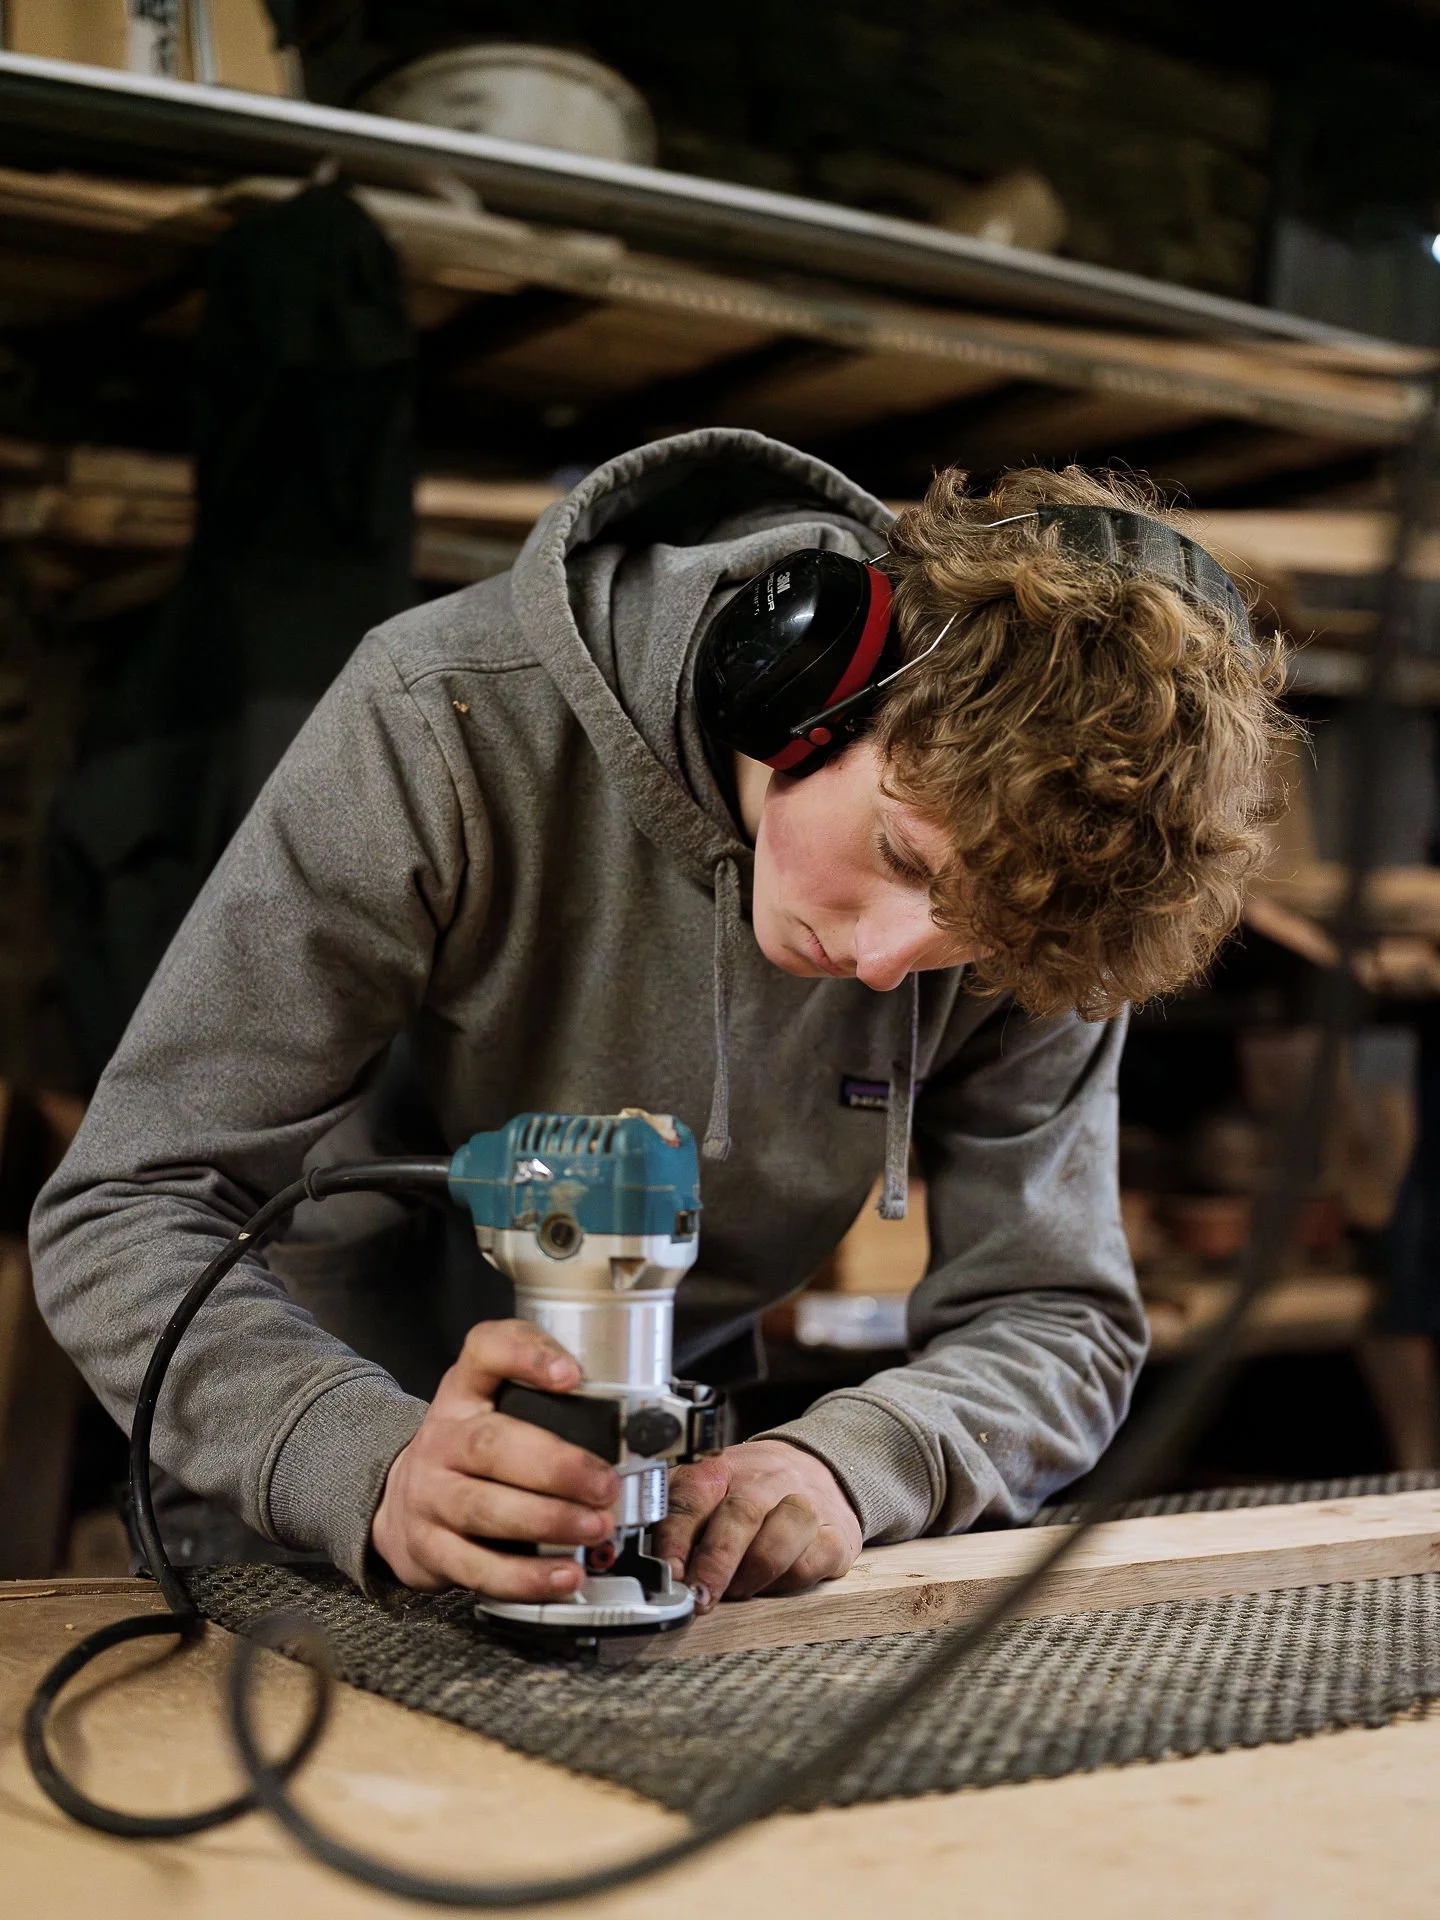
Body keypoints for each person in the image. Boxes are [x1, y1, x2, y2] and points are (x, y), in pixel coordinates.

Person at [29, 429, 1286, 1611]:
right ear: (815, 683)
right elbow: (129, 1210)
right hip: (303, 1483)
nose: (890, 962)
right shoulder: (443, 719)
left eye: (974, 936)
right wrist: (359, 1457)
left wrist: (860, 1464)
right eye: (904, 855)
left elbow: (1057, 1313)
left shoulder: (1050, 906)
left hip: (652, 1506)